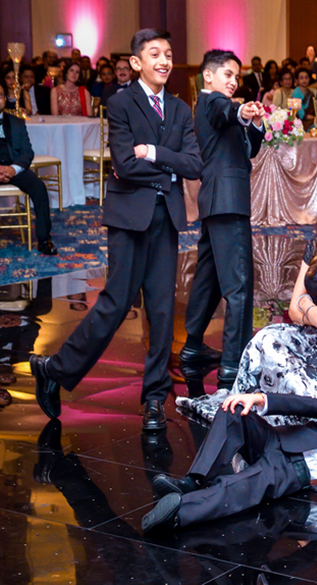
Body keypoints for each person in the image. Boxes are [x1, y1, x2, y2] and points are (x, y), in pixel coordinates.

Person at [30, 28, 203, 431]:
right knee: (115, 302)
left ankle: (155, 397)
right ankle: (55, 369)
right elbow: (125, 164)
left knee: (162, 310)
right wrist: (168, 168)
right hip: (129, 217)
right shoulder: (121, 102)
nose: (164, 60)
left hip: (167, 219)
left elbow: (194, 164)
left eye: (169, 54)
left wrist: (156, 153)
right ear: (138, 63)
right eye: (155, 54)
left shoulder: (179, 108)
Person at [177, 174, 317, 427]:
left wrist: (306, 305)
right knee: (265, 338)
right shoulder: (316, 244)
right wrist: (308, 308)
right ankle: (250, 401)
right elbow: (293, 309)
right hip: (311, 334)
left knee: (309, 389)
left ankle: (281, 406)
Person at [142, 371, 317, 533]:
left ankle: (179, 514)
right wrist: (256, 398)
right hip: (277, 442)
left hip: (294, 472)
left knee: (244, 484)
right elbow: (304, 405)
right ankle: (193, 482)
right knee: (233, 409)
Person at [181, 50, 264, 390]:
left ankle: (192, 345)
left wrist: (254, 123)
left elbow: (250, 149)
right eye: (227, 74)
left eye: (236, 76)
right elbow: (225, 110)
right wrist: (241, 110)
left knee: (210, 277)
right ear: (208, 76)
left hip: (219, 200)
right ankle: (234, 362)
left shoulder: (220, 107)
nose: (233, 81)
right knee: (240, 284)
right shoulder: (211, 103)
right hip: (227, 202)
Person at [0, 85, 58, 255]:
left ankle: (44, 239)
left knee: (39, 187)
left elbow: (27, 152)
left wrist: (13, 169)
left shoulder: (16, 122)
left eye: (0, 95)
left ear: (4, 99)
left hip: (14, 167)